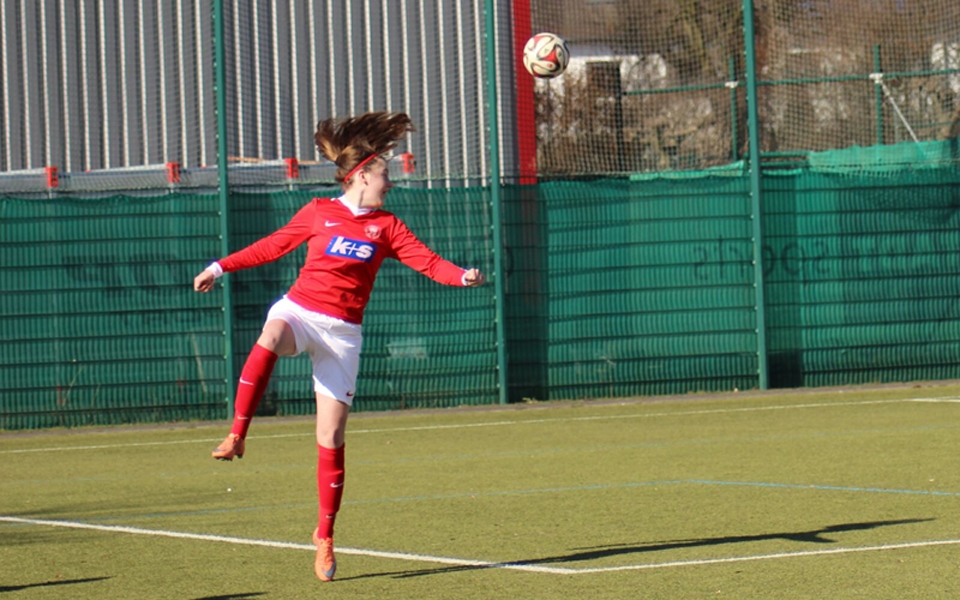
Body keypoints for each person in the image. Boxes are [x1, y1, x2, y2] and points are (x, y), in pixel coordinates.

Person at [192, 111, 485, 582]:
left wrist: (462, 276)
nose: (390, 182)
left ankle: (325, 536)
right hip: (301, 313)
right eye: (385, 174)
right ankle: (238, 433)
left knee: (330, 438)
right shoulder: (318, 212)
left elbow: (428, 262)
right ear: (362, 176)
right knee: (270, 335)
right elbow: (272, 246)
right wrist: (218, 267)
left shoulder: (387, 226)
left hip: (343, 335)